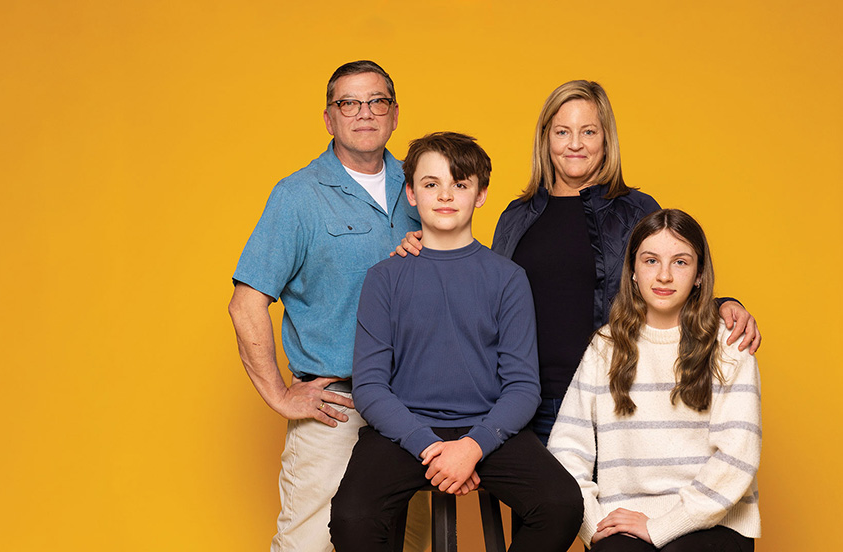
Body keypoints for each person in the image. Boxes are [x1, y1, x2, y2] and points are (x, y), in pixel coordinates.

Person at [397, 80, 761, 445]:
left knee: (615, 503)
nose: (575, 144)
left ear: (606, 139)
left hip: (613, 396)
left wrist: (722, 305)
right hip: (526, 403)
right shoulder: (516, 217)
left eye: (588, 131)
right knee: (544, 503)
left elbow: (667, 280)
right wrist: (429, 246)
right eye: (562, 131)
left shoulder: (636, 210)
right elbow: (483, 298)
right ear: (546, 138)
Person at [330, 132, 582, 552]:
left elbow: (523, 387)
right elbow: (370, 387)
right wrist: (428, 445)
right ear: (411, 193)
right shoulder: (384, 279)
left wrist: (472, 446)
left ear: (480, 194)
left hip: (488, 427)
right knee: (351, 517)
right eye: (431, 184)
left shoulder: (507, 278)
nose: (445, 195)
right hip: (403, 430)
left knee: (560, 505)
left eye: (460, 184)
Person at [228, 60, 427, 552]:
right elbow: (245, 303)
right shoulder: (298, 196)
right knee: (310, 543)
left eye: (376, 101)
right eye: (348, 103)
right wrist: (278, 394)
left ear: (395, 114)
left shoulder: (424, 185)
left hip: (415, 406)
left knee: (413, 542)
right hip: (338, 405)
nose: (364, 113)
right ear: (329, 117)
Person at [548, 208, 761, 551]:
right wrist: (593, 523)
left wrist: (662, 526)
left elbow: (737, 458)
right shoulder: (605, 347)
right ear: (632, 271)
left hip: (715, 520)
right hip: (624, 519)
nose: (663, 275)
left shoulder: (730, 344)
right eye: (650, 261)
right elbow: (567, 448)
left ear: (699, 275)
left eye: (680, 262)